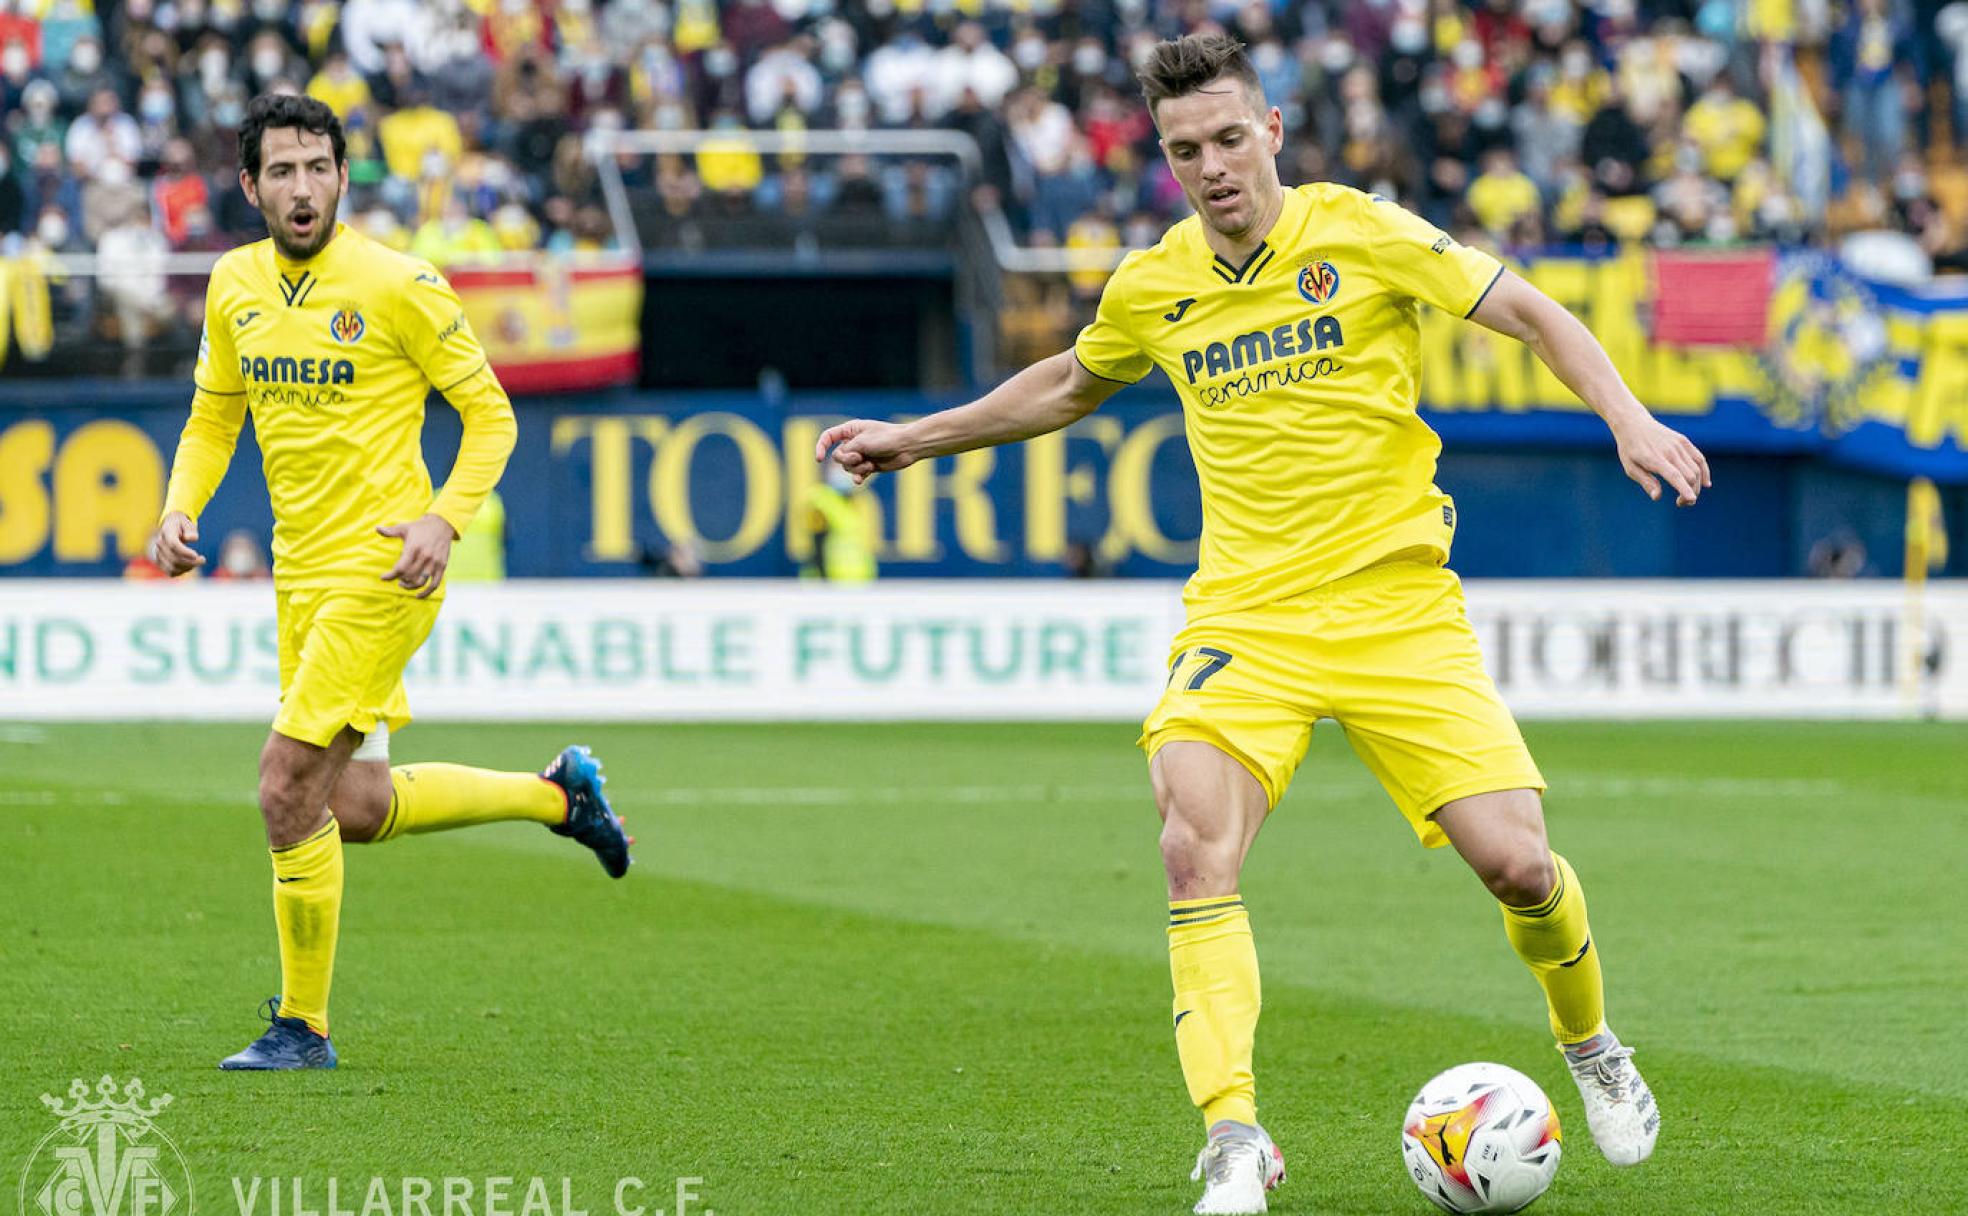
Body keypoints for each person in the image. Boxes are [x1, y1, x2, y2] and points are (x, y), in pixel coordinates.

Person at [817, 34, 1706, 1216]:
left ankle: (1591, 1045)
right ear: (1166, 159)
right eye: (1186, 150)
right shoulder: (1155, 285)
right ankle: (1236, 1137)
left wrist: (1628, 419)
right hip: (1247, 617)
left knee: (1521, 866)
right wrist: (912, 436)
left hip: (1397, 610)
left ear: (1272, 130)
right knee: (1194, 849)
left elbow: (1539, 316)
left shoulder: (1366, 233)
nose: (1214, 167)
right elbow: (1068, 384)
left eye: (1231, 139)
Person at [147, 94, 634, 1073]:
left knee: (286, 787)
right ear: (250, 186)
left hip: (384, 566)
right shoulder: (234, 284)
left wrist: (441, 521)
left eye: (317, 167)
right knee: (352, 806)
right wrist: (177, 505)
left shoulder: (399, 282)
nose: (301, 186)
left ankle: (303, 1027)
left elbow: (491, 418)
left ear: (342, 177)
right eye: (280, 171)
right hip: (300, 577)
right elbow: (212, 418)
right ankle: (560, 796)